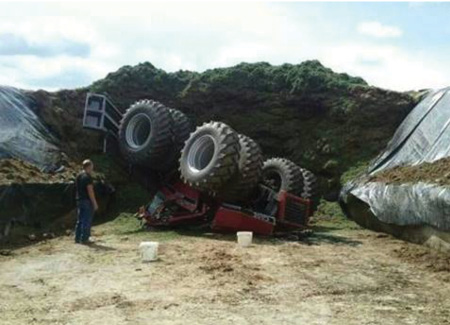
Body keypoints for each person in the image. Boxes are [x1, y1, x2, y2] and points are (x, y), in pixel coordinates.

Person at [75, 159, 98, 244]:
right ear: (89, 166)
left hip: (79, 200)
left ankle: (77, 238)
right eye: (92, 166)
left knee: (80, 219)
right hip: (87, 201)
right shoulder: (87, 177)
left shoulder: (79, 175)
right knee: (87, 219)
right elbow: (90, 191)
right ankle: (85, 238)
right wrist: (94, 203)